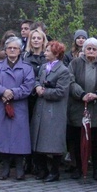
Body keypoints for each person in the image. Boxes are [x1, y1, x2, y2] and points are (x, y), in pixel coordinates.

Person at [0, 36, 35, 180]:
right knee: (3, 137)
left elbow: (28, 86)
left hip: (18, 106)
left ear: (20, 50)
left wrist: (13, 93)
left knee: (19, 138)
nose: (12, 50)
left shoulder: (27, 68)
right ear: (5, 50)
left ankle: (19, 168)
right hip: (0, 105)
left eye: (15, 48)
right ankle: (5, 168)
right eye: (9, 48)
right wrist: (3, 91)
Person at [67, 37, 97, 181]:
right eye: (88, 48)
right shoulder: (75, 63)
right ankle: (78, 167)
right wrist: (82, 94)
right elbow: (70, 81)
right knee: (78, 139)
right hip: (79, 106)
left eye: (94, 49)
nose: (91, 51)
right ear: (84, 50)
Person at [30, 41, 71, 182]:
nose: (44, 53)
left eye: (47, 51)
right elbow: (36, 80)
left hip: (54, 111)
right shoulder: (43, 67)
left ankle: (54, 172)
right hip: (41, 109)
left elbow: (61, 91)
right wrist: (37, 87)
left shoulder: (64, 71)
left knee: (54, 142)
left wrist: (44, 91)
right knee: (38, 140)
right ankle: (42, 170)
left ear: (56, 54)